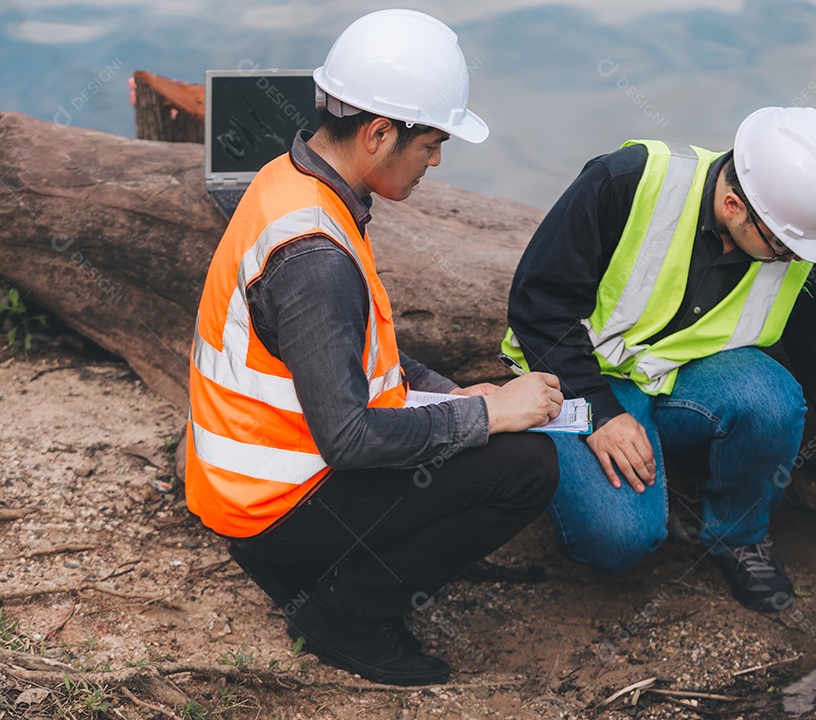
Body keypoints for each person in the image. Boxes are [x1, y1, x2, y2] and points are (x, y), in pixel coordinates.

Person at [184, 10, 563, 686]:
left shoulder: (292, 179)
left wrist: (451, 394)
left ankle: (330, 568)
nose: (436, 161)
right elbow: (351, 442)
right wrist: (488, 417)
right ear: (380, 132)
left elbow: (356, 351)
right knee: (528, 464)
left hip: (247, 486)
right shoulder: (316, 260)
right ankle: (345, 614)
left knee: (486, 433)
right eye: (431, 144)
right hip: (271, 508)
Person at [502, 107, 816, 613]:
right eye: (783, 248)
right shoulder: (628, 181)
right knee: (619, 540)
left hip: (675, 381)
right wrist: (602, 414)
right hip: (571, 382)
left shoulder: (798, 245)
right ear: (732, 206)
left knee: (773, 397)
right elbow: (537, 304)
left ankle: (737, 536)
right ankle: (555, 464)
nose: (794, 261)